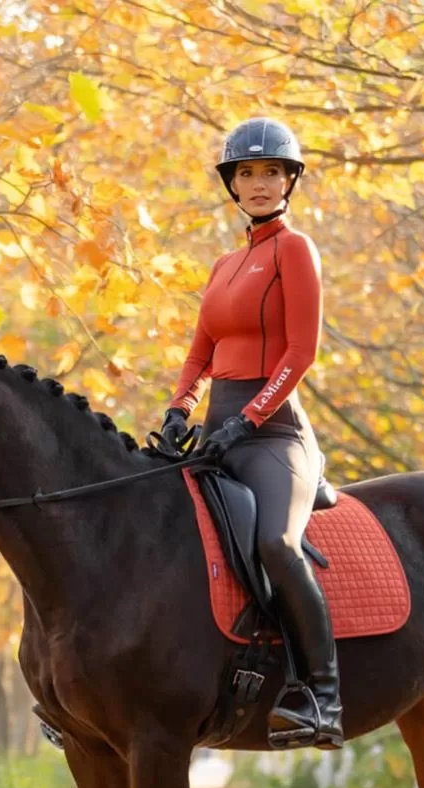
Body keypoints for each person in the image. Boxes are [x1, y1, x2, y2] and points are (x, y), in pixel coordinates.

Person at [160, 116, 343, 749]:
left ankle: (323, 696)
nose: (259, 183)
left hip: (275, 435)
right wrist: (179, 410)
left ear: (289, 180)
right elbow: (200, 353)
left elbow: (300, 352)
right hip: (219, 432)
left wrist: (249, 419)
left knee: (276, 544)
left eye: (271, 172)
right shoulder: (223, 265)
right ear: (232, 185)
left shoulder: (295, 249)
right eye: (247, 173)